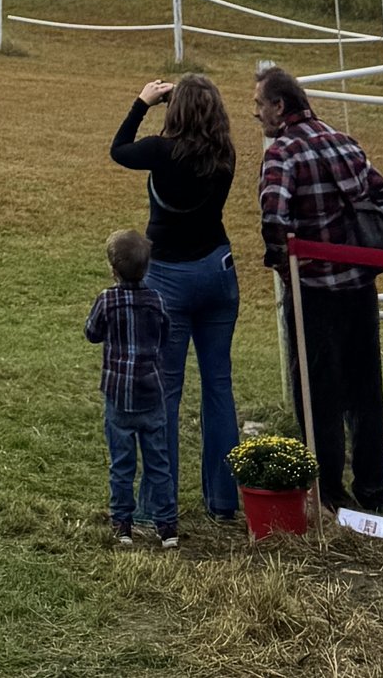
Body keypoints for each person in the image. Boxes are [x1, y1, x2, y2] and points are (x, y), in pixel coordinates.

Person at [253, 65, 383, 518]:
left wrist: (286, 262)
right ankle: (373, 488)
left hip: (313, 288)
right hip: (359, 286)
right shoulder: (344, 141)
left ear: (279, 106)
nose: (255, 113)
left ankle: (330, 489)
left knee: (318, 392)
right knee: (365, 389)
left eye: (259, 104)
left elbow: (274, 222)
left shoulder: (282, 154)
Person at [109, 73, 242, 523]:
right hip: (218, 270)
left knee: (166, 390)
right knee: (218, 386)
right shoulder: (225, 154)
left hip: (168, 276)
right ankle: (224, 501)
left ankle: (157, 506)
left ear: (175, 110)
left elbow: (119, 149)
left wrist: (143, 101)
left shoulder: (159, 152)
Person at [85, 227, 177, 545]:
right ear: (146, 267)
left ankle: (122, 523)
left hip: (118, 395)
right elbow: (166, 335)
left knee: (122, 462)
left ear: (113, 268)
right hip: (152, 394)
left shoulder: (106, 301)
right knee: (158, 462)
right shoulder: (157, 301)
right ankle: (167, 526)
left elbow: (92, 332)